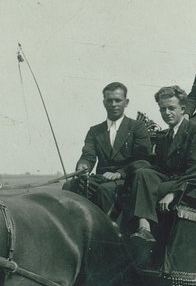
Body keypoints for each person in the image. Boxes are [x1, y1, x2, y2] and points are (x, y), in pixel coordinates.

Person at [127, 85, 196, 246]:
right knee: (142, 174)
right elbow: (161, 169)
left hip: (192, 187)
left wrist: (173, 194)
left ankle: (141, 232)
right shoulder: (164, 135)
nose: (166, 113)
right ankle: (144, 226)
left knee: (141, 182)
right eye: (162, 109)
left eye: (171, 108)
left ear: (183, 109)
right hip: (171, 181)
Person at [64, 81, 151, 216]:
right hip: (100, 178)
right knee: (70, 185)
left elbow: (143, 159)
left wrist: (120, 173)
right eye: (109, 100)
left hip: (126, 179)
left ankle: (107, 232)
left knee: (105, 191)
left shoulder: (137, 127)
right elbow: (88, 156)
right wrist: (83, 166)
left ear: (126, 102)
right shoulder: (95, 131)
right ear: (104, 102)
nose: (113, 104)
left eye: (118, 100)